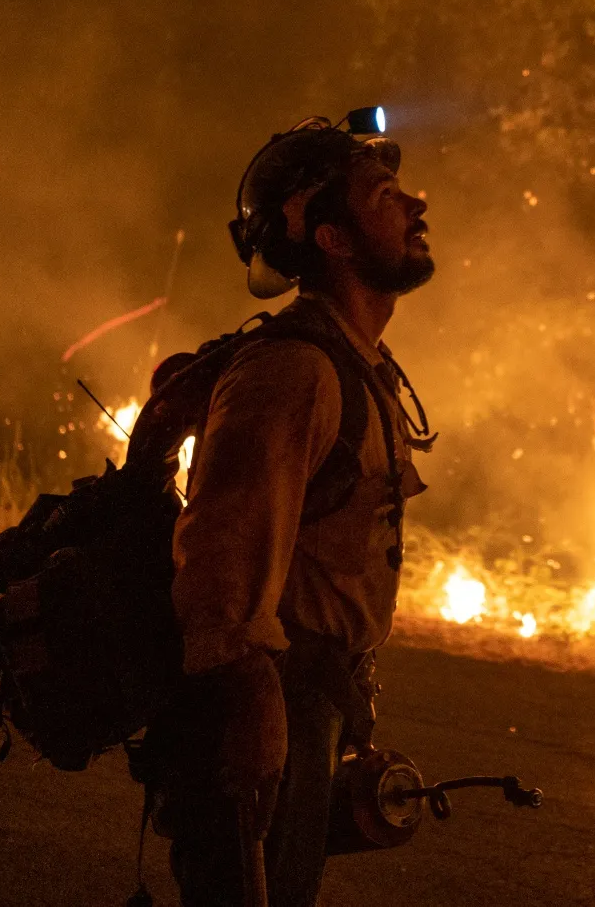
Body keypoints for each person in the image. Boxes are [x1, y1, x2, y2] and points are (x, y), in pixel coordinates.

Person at [153, 115, 436, 907]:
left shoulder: (355, 362)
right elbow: (222, 551)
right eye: (385, 196)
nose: (416, 206)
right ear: (333, 238)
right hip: (274, 702)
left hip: (316, 702)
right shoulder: (294, 372)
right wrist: (256, 710)